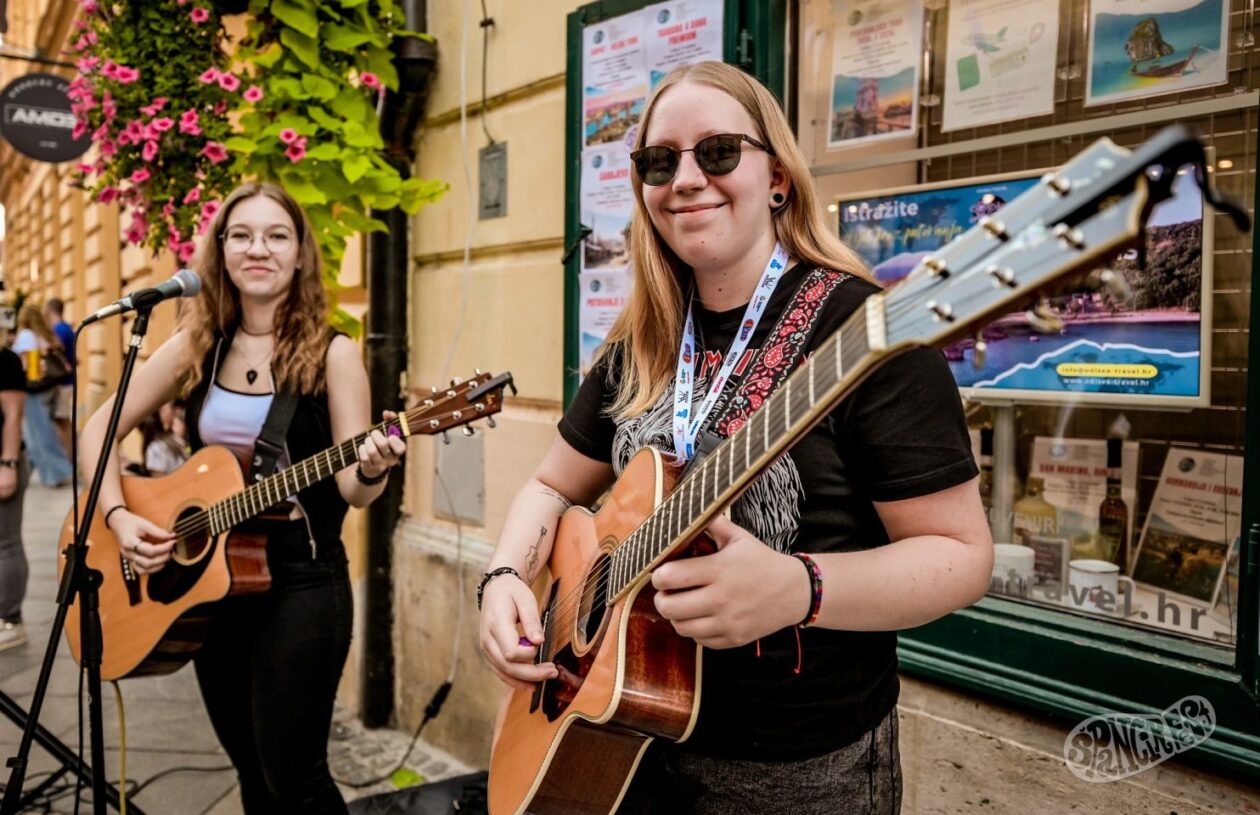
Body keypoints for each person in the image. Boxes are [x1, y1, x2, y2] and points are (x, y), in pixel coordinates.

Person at [477, 62, 993, 814]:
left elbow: (961, 556)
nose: (685, 178)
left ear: (778, 177)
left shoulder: (867, 335)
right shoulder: (643, 341)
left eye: (717, 152)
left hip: (795, 768)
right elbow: (554, 485)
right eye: (659, 161)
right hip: (617, 735)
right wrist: (502, 579)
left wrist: (801, 588)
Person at [79, 182, 406, 814]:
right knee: (251, 773)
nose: (260, 248)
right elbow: (98, 428)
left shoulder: (334, 354)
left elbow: (354, 492)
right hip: (212, 583)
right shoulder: (200, 344)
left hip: (302, 579)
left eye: (277, 235)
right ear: (221, 252)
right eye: (243, 235)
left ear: (301, 255)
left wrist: (374, 466)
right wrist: (119, 518)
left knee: (295, 779)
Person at [11, 303, 73, 487]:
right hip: (50, 387)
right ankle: (55, 470)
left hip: (35, 390)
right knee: (45, 431)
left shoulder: (26, 336)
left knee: (39, 433)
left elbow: (26, 366)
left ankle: (56, 473)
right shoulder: (46, 334)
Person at [0, 326, 29, 652]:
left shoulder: (5, 360)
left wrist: (7, 464)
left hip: (3, 460)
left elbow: (14, 414)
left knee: (5, 543)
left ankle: (11, 620)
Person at [43, 298, 76, 457]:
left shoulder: (59, 330)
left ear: (50, 310)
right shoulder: (67, 328)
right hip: (68, 380)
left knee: (62, 420)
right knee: (64, 420)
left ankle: (68, 456)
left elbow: (57, 351)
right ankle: (69, 454)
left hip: (63, 382)